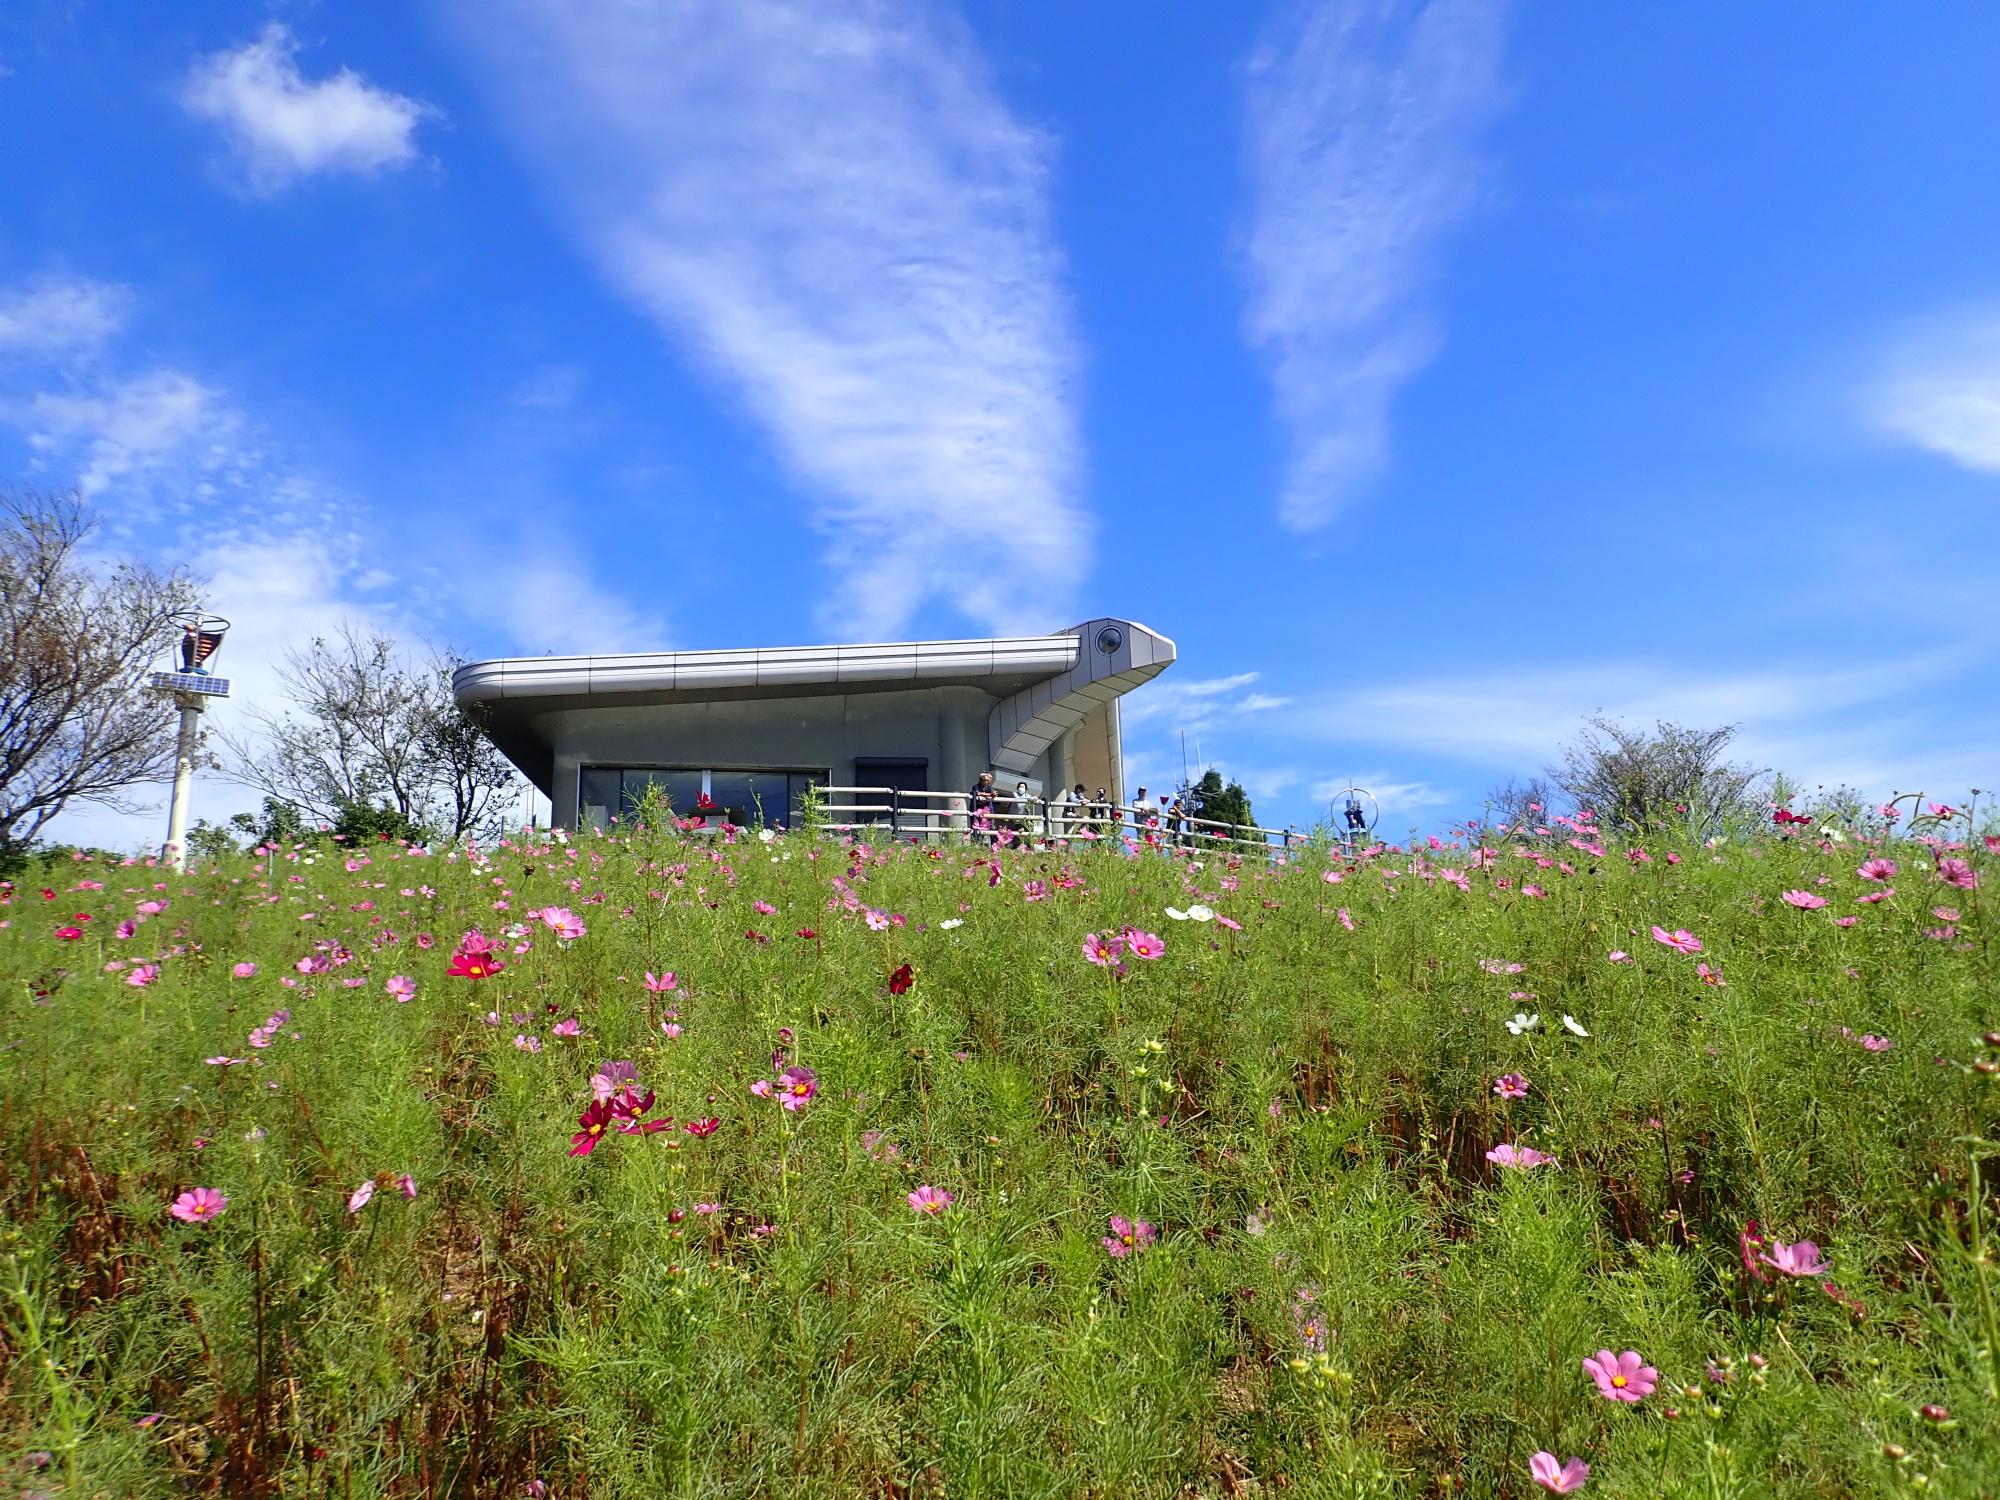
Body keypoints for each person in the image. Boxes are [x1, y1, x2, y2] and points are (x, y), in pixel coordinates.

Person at [969, 771, 997, 843]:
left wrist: (990, 794)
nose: (987, 782)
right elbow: (976, 793)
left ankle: (991, 844)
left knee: (990, 828)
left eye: (988, 780)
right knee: (975, 827)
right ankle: (975, 843)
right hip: (977, 810)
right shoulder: (975, 786)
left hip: (987, 810)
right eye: (986, 780)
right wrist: (989, 794)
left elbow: (992, 794)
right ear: (981, 780)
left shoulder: (989, 787)